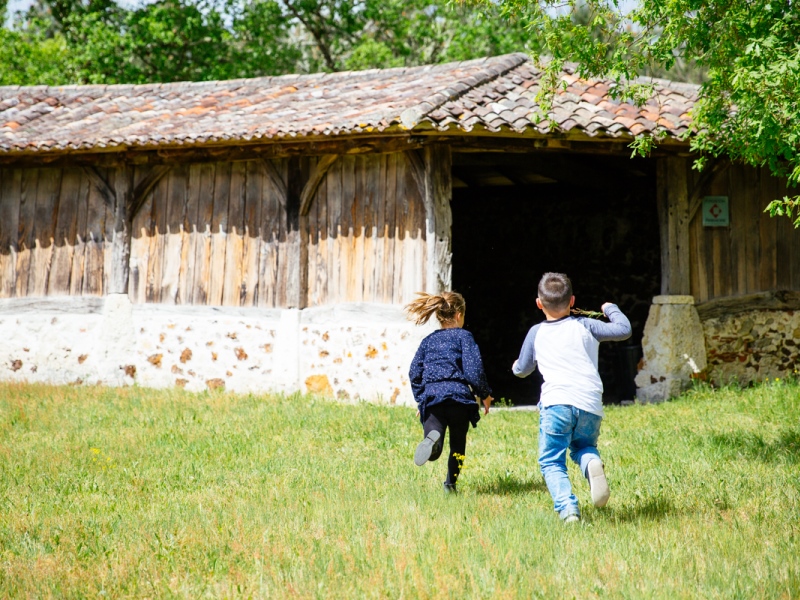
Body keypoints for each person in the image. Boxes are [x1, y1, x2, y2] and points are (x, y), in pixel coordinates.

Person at [512, 272, 631, 523]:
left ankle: (568, 511)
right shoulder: (586, 325)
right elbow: (624, 330)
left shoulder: (536, 333)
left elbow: (522, 370)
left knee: (551, 461)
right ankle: (590, 463)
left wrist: (515, 367)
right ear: (572, 300)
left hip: (556, 404)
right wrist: (610, 308)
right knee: (583, 446)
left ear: (539, 303)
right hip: (590, 405)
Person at [406, 291, 493, 494]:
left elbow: (414, 372)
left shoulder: (428, 341)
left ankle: (433, 441)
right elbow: (473, 371)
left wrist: (422, 399)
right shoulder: (464, 336)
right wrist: (485, 393)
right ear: (458, 315)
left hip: (433, 397)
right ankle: (450, 485)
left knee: (434, 440)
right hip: (459, 399)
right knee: (457, 445)